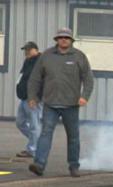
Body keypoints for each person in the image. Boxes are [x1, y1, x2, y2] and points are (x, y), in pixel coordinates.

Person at [27, 28, 94, 177]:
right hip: (50, 104)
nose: (64, 39)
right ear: (56, 40)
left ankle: (74, 166)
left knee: (73, 137)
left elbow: (88, 79)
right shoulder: (46, 56)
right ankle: (39, 164)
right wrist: (32, 97)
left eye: (67, 37)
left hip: (71, 105)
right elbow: (35, 78)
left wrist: (85, 96)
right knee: (45, 134)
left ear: (71, 40)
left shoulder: (79, 56)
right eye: (61, 37)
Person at [15, 41, 42, 158]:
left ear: (35, 50)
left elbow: (42, 81)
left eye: (28, 50)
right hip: (24, 98)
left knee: (34, 125)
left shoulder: (40, 62)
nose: (26, 52)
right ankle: (38, 142)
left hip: (33, 99)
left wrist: (36, 97)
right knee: (20, 123)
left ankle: (33, 149)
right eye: (25, 50)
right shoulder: (27, 61)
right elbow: (22, 76)